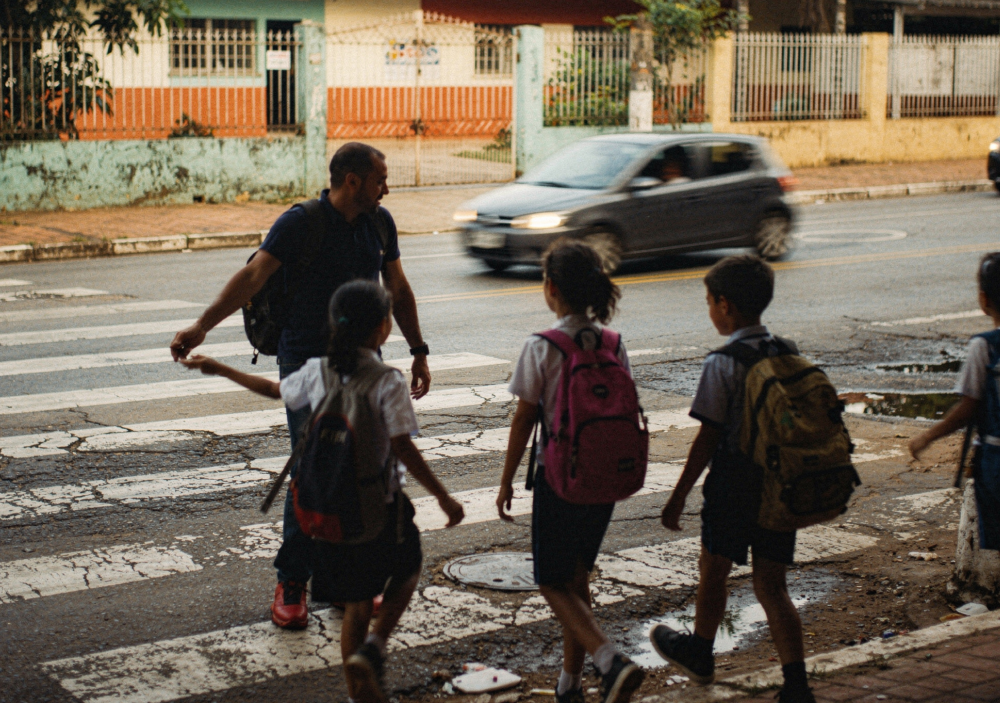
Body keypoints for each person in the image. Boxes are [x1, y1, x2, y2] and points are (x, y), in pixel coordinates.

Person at [169, 142, 432, 629]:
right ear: (352, 180)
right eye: (380, 179)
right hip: (304, 358)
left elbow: (397, 288)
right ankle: (293, 579)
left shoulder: (380, 223)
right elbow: (252, 276)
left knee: (354, 466)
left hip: (362, 362)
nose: (386, 188)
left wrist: (418, 350)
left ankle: (339, 584)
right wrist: (202, 326)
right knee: (317, 465)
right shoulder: (301, 222)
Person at [181, 280, 465, 703]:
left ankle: (358, 694)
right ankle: (376, 645)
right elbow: (403, 446)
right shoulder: (388, 381)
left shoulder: (317, 370)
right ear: (384, 328)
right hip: (380, 509)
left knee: (354, 602)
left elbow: (275, 391)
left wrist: (219, 367)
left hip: (328, 509)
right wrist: (443, 496)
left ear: (335, 325)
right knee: (408, 567)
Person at [652, 255, 815, 703]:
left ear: (724, 305)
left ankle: (701, 652)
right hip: (779, 484)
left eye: (709, 302)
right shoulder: (788, 350)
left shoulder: (722, 363)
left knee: (714, 570)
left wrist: (677, 496)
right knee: (772, 584)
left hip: (733, 484)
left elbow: (707, 437)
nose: (709, 310)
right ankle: (797, 685)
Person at [496, 240, 645, 703]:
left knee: (550, 581)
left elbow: (524, 418)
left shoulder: (542, 346)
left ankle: (608, 659)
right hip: (605, 478)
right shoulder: (613, 343)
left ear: (551, 288)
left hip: (560, 479)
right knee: (576, 578)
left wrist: (505, 480)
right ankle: (570, 684)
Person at [910, 252, 1000, 552]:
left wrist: (927, 436)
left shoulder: (984, 346)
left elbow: (968, 407)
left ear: (984, 299)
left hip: (996, 459)